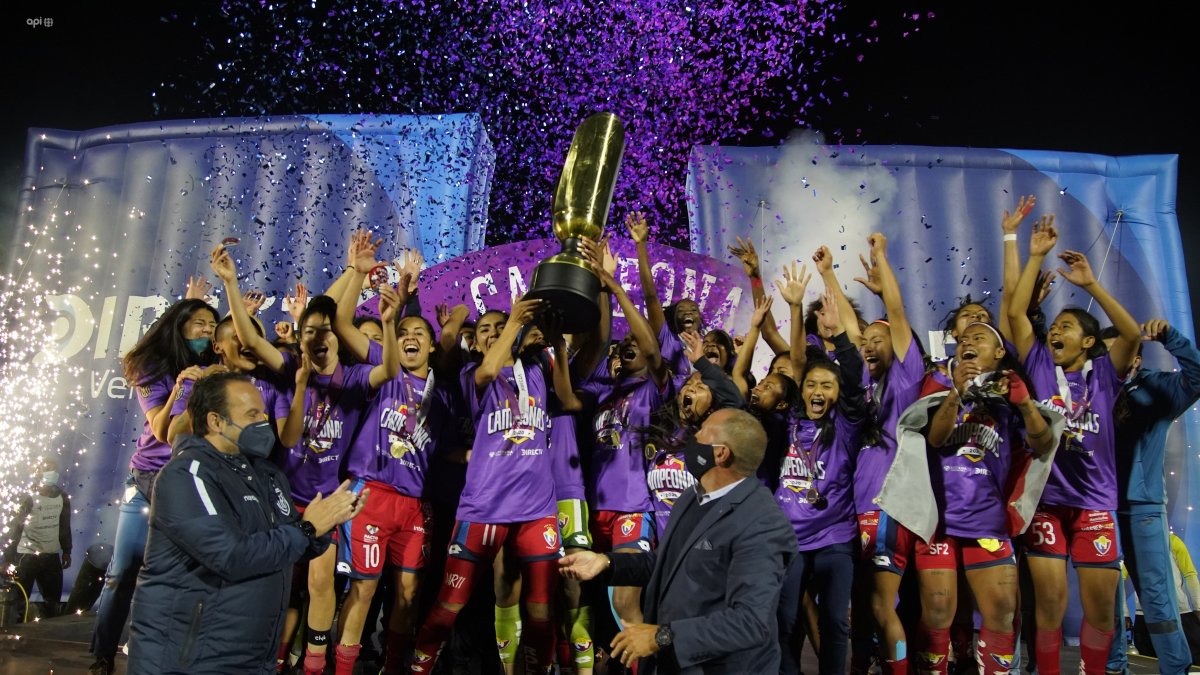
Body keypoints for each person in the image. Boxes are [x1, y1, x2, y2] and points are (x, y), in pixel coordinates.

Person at [126, 371, 365, 674]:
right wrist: (307, 528)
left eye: (263, 413)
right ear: (216, 421)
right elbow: (231, 556)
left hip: (252, 659)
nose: (264, 421)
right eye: (252, 414)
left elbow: (290, 543)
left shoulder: (268, 475)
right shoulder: (187, 474)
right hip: (189, 662)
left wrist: (327, 520)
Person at [559, 408, 796, 675]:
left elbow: (749, 622)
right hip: (673, 664)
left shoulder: (762, 522)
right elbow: (665, 562)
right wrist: (606, 562)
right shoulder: (691, 498)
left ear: (720, 454)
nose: (693, 437)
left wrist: (662, 636)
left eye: (702, 432)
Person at [1007, 218, 1142, 675]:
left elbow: (1131, 334)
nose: (1054, 332)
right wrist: (1035, 256)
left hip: (1095, 504)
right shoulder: (1039, 366)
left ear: (1087, 341)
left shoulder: (1104, 374)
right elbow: (1016, 316)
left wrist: (1091, 285)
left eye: (1065, 327)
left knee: (1101, 609)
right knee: (1049, 606)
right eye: (1054, 327)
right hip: (1048, 503)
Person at [89, 297, 218, 675]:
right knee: (122, 572)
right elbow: (162, 430)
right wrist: (183, 387)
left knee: (176, 578)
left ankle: (158, 654)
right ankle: (103, 654)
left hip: (190, 482)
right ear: (179, 325)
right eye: (200, 323)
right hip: (146, 480)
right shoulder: (152, 365)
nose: (207, 331)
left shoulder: (216, 369)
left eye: (212, 325)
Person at [1102, 320, 1200, 674]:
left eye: (1122, 351)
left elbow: (1198, 377)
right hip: (1098, 507)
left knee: (1157, 598)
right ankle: (1114, 667)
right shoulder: (1089, 392)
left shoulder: (1156, 387)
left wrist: (1172, 339)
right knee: (1106, 597)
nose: (1113, 359)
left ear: (1137, 359)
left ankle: (1175, 668)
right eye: (1106, 354)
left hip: (1143, 509)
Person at [5, 458, 72, 619]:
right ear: (38, 473)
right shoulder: (28, 497)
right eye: (47, 469)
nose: (51, 473)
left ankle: (49, 630)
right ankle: (17, 630)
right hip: (27, 556)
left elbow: (64, 525)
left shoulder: (62, 497)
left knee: (53, 602)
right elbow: (15, 528)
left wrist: (66, 551)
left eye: (53, 469)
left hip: (51, 555)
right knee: (19, 602)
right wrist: (8, 559)